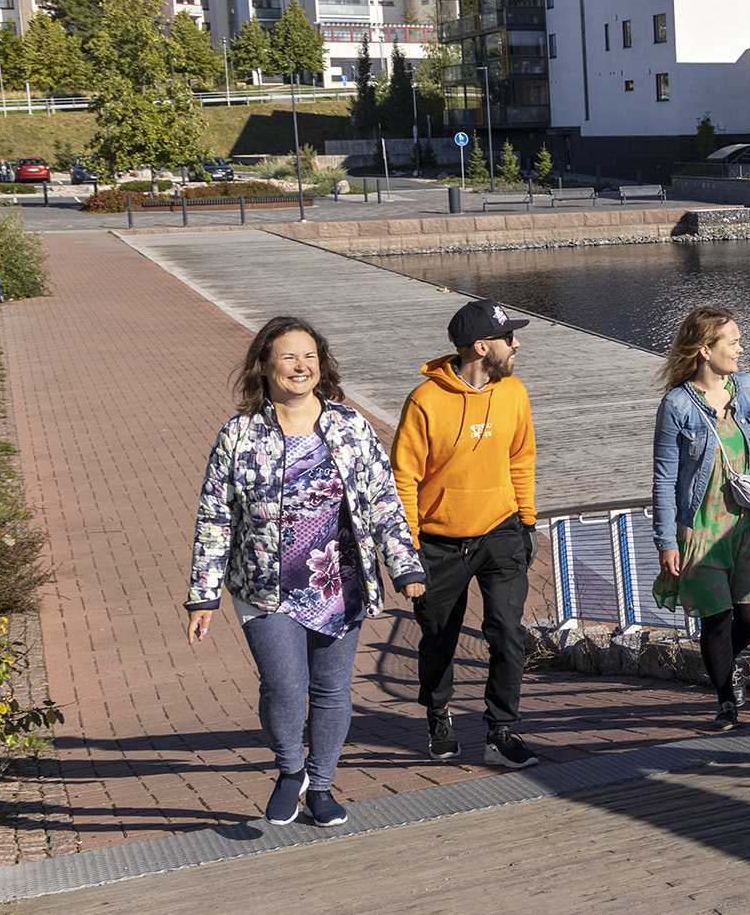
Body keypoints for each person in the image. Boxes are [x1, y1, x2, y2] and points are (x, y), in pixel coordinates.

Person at [187, 317, 426, 828]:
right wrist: (203, 596)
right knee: (282, 686)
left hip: (339, 581)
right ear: (266, 366)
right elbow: (216, 515)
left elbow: (383, 498)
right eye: (289, 357)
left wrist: (404, 565)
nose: (301, 366)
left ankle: (321, 787)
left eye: (310, 357)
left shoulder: (348, 424)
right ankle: (290, 770)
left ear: (323, 365)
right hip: (264, 588)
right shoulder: (239, 434)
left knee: (334, 691)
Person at [394, 298, 540, 769]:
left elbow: (522, 457)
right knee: (438, 637)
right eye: (508, 338)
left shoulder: (514, 391)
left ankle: (501, 729)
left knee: (507, 632)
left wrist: (527, 520)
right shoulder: (425, 401)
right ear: (481, 347)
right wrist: (409, 550)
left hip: (499, 531)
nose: (516, 344)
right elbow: (404, 477)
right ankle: (438, 713)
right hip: (438, 542)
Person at [652, 306, 750, 733]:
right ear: (706, 349)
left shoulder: (748, 389)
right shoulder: (676, 405)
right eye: (733, 341)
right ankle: (726, 701)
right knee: (716, 617)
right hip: (701, 526)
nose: (741, 349)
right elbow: (664, 477)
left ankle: (722, 660)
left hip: (749, 523)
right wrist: (666, 541)